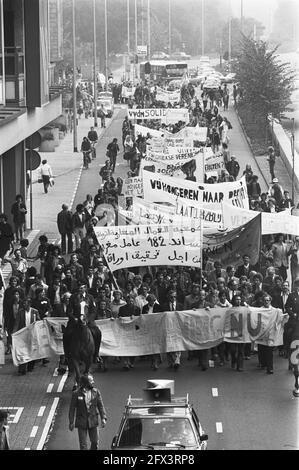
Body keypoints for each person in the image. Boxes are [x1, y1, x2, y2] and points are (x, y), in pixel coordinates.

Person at [68, 374, 107, 450]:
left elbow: (100, 406)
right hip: (81, 422)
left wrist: (103, 418)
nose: (93, 382)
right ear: (86, 382)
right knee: (83, 445)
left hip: (93, 421)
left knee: (95, 442)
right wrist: (71, 422)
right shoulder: (76, 394)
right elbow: (72, 408)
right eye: (91, 380)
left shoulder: (96, 392)